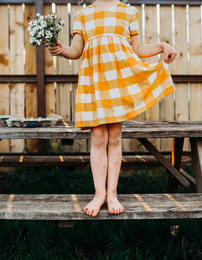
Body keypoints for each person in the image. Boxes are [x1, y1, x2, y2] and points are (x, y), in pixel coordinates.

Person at [48, 0, 177, 218]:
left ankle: (112, 194)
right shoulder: (84, 14)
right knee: (98, 138)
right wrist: (61, 50)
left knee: (115, 138)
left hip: (118, 81)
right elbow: (77, 51)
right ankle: (99, 194)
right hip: (94, 82)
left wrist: (162, 46)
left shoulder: (128, 12)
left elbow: (137, 49)